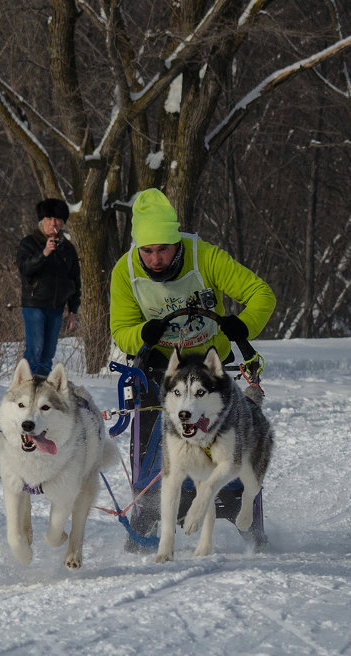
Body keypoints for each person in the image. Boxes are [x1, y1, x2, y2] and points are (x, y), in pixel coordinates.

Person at [108, 187, 275, 546]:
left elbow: (261, 294)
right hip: (159, 366)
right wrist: (142, 333)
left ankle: (245, 517)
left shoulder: (205, 256)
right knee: (155, 446)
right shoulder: (125, 271)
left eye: (163, 249)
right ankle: (147, 515)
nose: (155, 259)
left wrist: (243, 326)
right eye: (147, 251)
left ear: (177, 242)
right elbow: (121, 330)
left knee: (226, 439)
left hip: (209, 367)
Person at [15, 198, 80, 376]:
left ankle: (41, 388)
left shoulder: (68, 249)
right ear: (42, 220)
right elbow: (25, 268)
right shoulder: (29, 243)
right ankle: (24, 388)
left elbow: (75, 281)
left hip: (56, 307)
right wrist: (44, 253)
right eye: (49, 218)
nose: (53, 223)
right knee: (34, 349)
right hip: (34, 304)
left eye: (58, 219)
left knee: (48, 354)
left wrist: (73, 310)